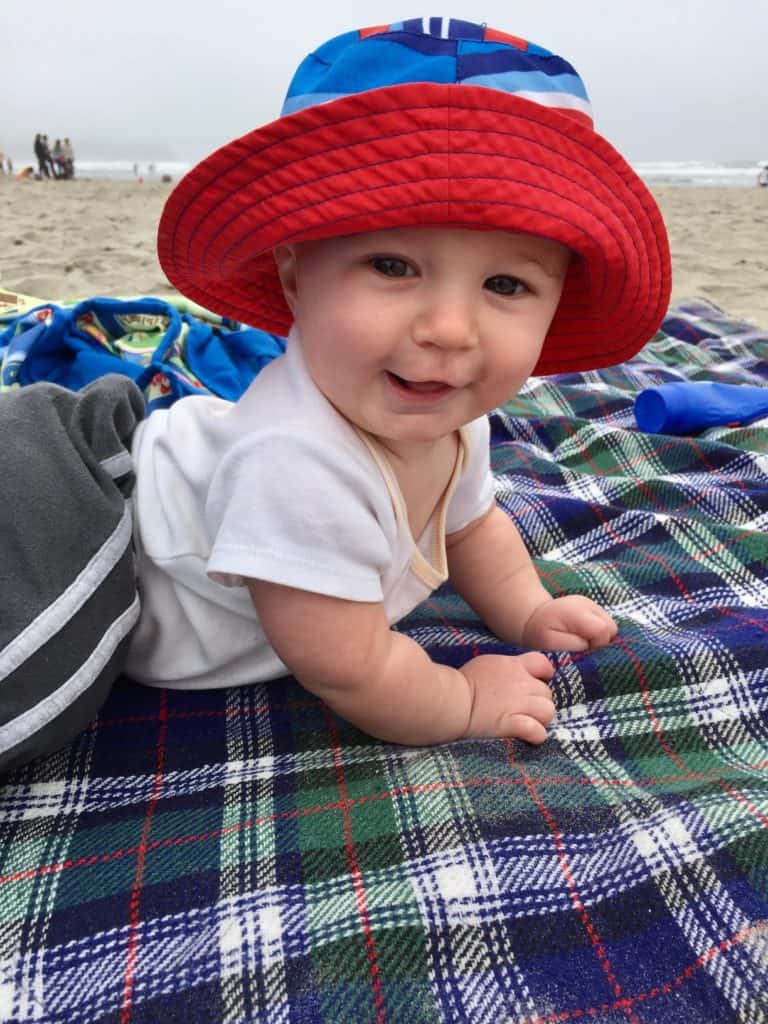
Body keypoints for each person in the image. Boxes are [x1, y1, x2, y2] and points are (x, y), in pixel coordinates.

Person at [0, 17, 671, 770]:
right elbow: (347, 664)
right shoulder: (295, 461)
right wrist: (464, 701)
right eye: (391, 266)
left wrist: (529, 609)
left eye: (505, 284)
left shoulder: (452, 413)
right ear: (294, 278)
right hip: (77, 506)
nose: (450, 329)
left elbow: (471, 526)